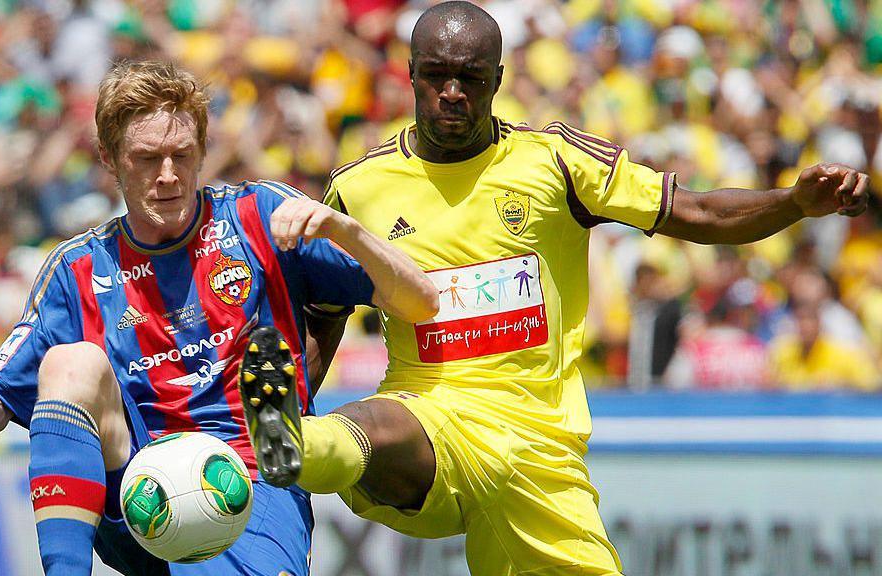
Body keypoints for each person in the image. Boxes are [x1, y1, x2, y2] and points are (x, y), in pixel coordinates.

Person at [239, 3, 871, 575]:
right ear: (408, 74)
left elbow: (699, 212)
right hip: (428, 415)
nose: (452, 93)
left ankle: (302, 441)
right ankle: (292, 442)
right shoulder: (361, 186)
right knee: (369, 427)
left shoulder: (554, 162)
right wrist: (284, 400)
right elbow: (322, 320)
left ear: (500, 78)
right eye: (436, 75)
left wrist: (793, 202)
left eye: (472, 77)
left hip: (536, 442)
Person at [0, 60, 438, 576]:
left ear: (201, 152)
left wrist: (345, 229)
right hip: (141, 484)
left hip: (250, 475)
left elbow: (419, 301)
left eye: (182, 156)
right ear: (111, 159)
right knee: (72, 363)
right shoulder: (76, 270)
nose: (168, 174)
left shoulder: (259, 215)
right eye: (146, 158)